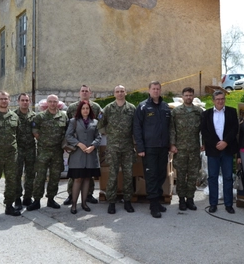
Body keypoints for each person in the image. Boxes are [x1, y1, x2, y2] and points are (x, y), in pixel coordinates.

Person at [133, 81, 171, 218]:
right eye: (153, 89)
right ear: (149, 90)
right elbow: (137, 128)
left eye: (158, 89)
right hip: (149, 148)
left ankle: (157, 200)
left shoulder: (165, 106)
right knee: (151, 176)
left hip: (162, 148)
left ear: (160, 91)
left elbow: (169, 128)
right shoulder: (143, 107)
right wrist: (140, 147)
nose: (156, 91)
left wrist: (170, 145)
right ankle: (153, 205)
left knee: (161, 174)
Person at [98, 85, 136, 214]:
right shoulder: (108, 108)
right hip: (113, 147)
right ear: (114, 94)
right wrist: (109, 134)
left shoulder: (131, 108)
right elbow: (100, 125)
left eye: (122, 91)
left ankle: (127, 201)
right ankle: (112, 202)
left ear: (125, 92)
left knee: (128, 174)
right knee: (112, 175)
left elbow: (136, 126)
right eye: (117, 92)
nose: (120, 93)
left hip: (127, 147)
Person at [27, 94, 68, 211]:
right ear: (47, 103)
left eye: (55, 101)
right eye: (50, 101)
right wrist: (46, 142)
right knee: (40, 176)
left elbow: (66, 132)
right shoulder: (40, 117)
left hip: (57, 152)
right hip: (43, 151)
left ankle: (51, 199)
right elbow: (35, 132)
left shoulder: (63, 117)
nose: (52, 104)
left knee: (55, 176)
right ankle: (37, 200)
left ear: (58, 103)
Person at [63, 85, 102, 206]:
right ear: (79, 93)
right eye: (82, 91)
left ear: (90, 93)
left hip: (90, 150)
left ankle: (88, 196)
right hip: (77, 150)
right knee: (76, 177)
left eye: (87, 91)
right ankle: (72, 197)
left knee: (87, 177)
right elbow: (68, 128)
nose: (84, 93)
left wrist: (93, 146)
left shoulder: (96, 107)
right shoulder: (72, 108)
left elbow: (99, 129)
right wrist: (76, 143)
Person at [201, 90, 238, 214]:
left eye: (222, 99)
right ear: (213, 101)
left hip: (227, 149)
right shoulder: (206, 114)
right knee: (212, 177)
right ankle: (213, 203)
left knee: (228, 177)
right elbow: (204, 131)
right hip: (213, 150)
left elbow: (234, 129)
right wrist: (216, 143)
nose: (220, 101)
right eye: (218, 99)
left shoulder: (232, 112)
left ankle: (228, 204)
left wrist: (225, 142)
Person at [170, 87, 203, 211]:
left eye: (190, 95)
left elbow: (203, 130)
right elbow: (172, 129)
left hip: (194, 148)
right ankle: (181, 200)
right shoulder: (176, 112)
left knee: (193, 175)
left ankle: (190, 199)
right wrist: (172, 144)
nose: (188, 97)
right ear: (182, 97)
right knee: (181, 175)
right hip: (181, 149)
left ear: (193, 96)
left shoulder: (198, 112)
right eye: (186, 95)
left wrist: (203, 143)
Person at [0, 91, 21, 216]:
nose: (3, 101)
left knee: (11, 181)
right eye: (1, 99)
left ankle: (9, 206)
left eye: (5, 99)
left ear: (9, 100)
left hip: (11, 155)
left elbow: (17, 135)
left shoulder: (14, 116)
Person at [14, 93, 36, 210]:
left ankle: (27, 198)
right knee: (16, 174)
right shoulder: (13, 116)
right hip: (18, 149)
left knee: (30, 174)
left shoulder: (34, 116)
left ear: (30, 102)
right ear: (18, 102)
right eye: (22, 100)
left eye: (27, 100)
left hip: (31, 149)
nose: (25, 102)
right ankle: (17, 198)